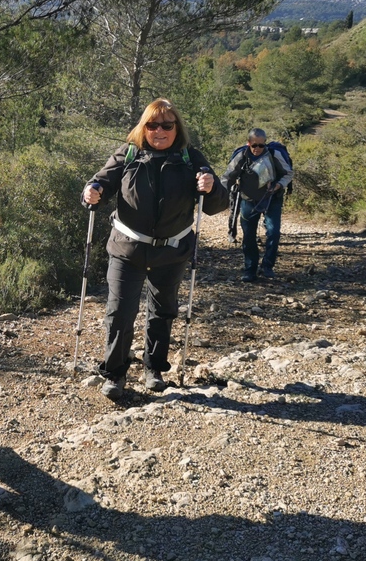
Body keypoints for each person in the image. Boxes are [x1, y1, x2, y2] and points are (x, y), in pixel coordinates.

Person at [82, 99, 229, 399]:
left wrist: (211, 187)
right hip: (127, 248)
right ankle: (115, 373)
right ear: (143, 127)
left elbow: (218, 205)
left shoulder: (190, 159)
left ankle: (154, 368)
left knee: (162, 311)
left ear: (177, 128)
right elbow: (99, 183)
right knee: (120, 311)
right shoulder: (129, 154)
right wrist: (91, 192)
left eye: (167, 125)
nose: (159, 131)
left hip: (171, 251)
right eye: (152, 125)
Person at [220, 128, 293, 282]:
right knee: (249, 236)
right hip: (248, 200)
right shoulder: (241, 156)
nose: (258, 149)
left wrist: (278, 186)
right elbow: (228, 177)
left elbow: (288, 173)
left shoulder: (274, 155)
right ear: (249, 143)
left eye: (261, 145)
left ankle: (267, 267)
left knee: (273, 233)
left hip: (272, 199)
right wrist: (219, 195)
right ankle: (250, 269)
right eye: (255, 145)